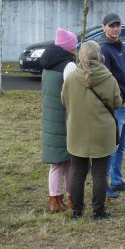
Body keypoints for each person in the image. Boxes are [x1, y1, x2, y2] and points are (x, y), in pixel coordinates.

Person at [62, 40, 122, 221]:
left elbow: (64, 100)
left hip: (76, 131)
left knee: (78, 172)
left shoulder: (71, 78)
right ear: (99, 56)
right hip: (102, 132)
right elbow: (117, 103)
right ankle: (98, 211)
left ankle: (77, 212)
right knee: (99, 173)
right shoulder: (109, 78)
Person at [97, 13, 125, 198]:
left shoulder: (121, 46)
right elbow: (107, 79)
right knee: (112, 147)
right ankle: (104, 184)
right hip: (119, 105)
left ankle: (116, 181)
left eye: (118, 25)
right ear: (103, 27)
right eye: (111, 26)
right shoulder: (104, 49)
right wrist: (118, 100)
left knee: (122, 145)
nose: (115, 29)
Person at [40, 27, 77, 213]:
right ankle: (72, 198)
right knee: (69, 162)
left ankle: (54, 200)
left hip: (50, 119)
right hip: (65, 119)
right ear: (70, 48)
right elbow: (74, 94)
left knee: (56, 163)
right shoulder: (68, 66)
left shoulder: (47, 64)